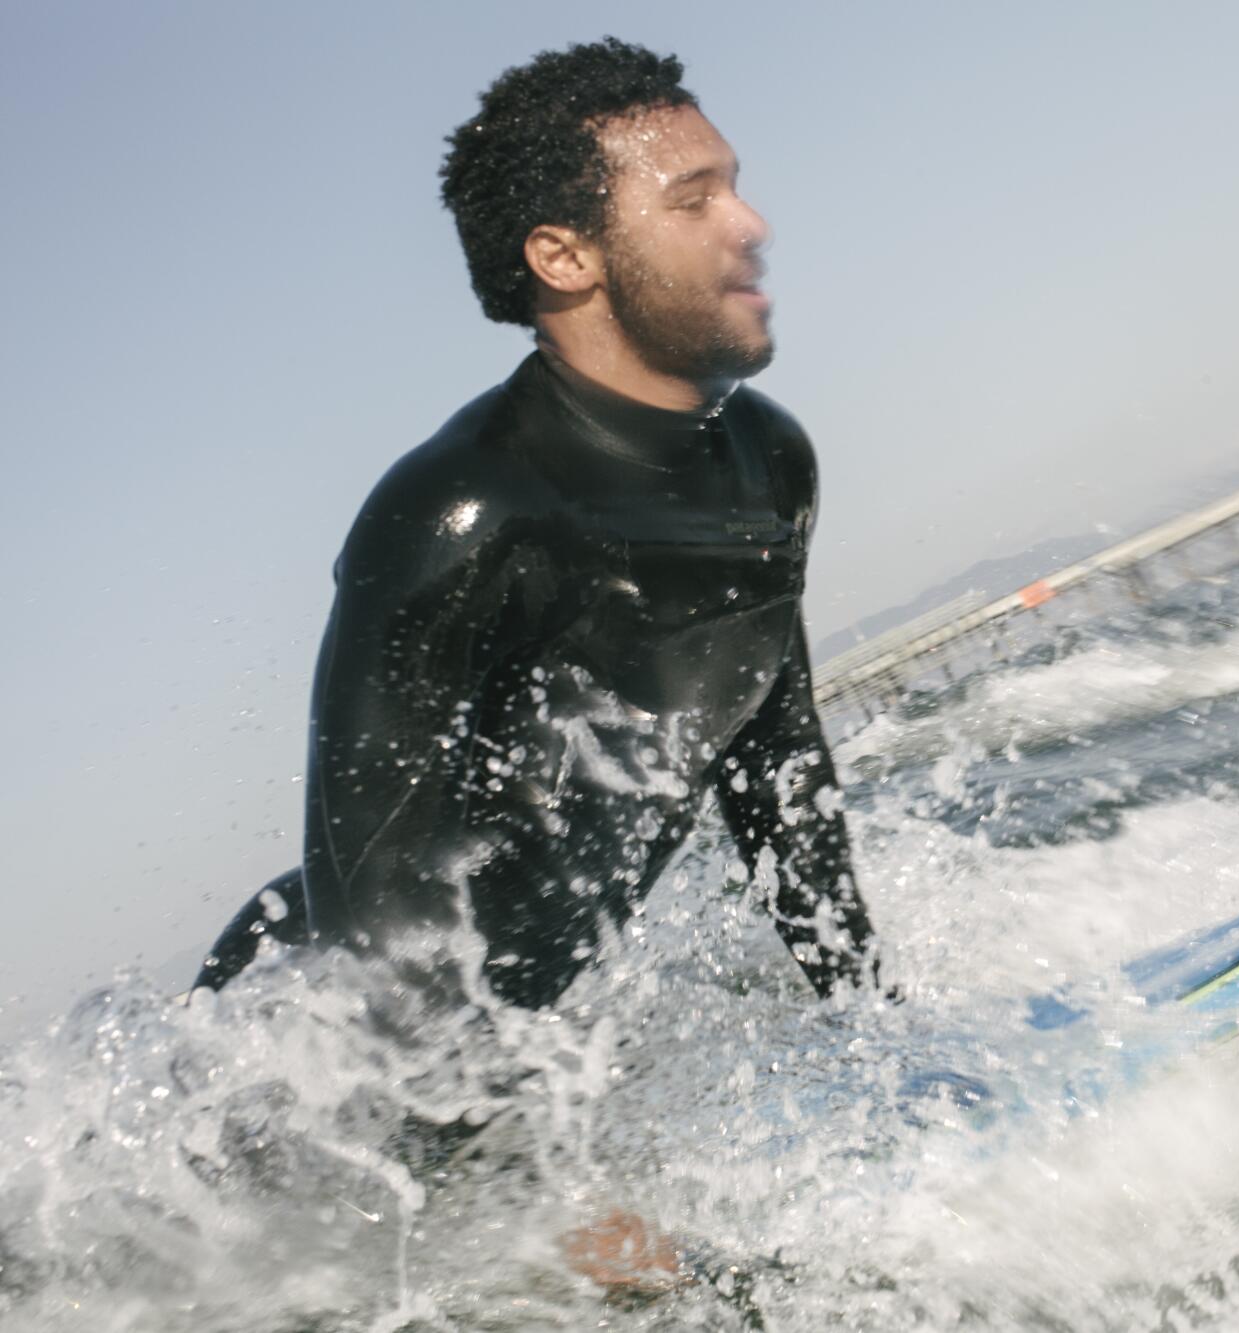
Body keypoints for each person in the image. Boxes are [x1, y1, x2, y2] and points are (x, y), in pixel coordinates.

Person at [193, 39, 882, 1016]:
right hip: (301, 1052)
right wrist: (492, 1143)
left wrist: (877, 1033)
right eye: (692, 201)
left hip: (511, 1048)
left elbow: (780, 777)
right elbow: (376, 925)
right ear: (564, 256)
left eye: (734, 187)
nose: (751, 223)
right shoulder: (462, 513)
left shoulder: (767, 461)